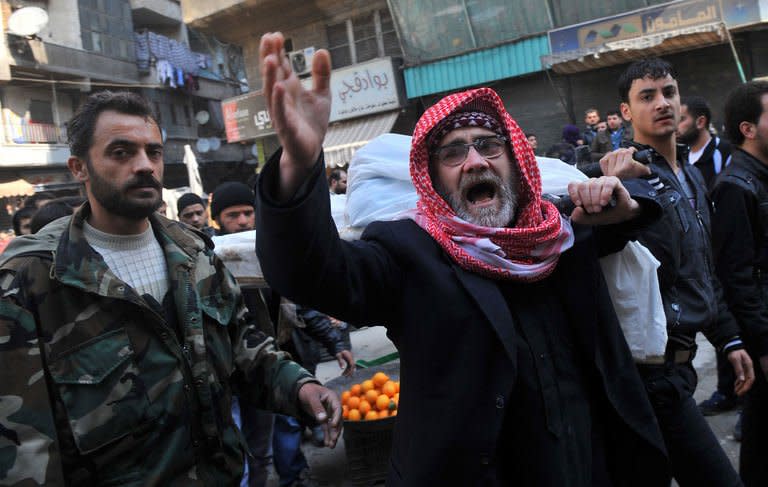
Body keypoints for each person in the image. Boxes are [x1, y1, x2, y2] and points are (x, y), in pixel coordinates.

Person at [256, 31, 669, 486]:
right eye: (453, 153)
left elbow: (649, 206)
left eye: (489, 146)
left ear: (516, 163)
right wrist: (299, 165)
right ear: (433, 182)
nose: (474, 161)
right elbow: (311, 273)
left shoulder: (561, 233)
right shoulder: (409, 252)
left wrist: (628, 204)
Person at [0, 90, 340, 486]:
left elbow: (244, 348)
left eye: (154, 152)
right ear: (80, 167)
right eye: (121, 152)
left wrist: (301, 387)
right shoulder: (31, 279)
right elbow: (23, 449)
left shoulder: (194, 252)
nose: (145, 166)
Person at [598, 58, 754, 487]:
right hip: (650, 375)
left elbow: (702, 267)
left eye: (668, 92)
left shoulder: (690, 177)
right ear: (626, 112)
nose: (662, 103)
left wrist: (728, 337)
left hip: (683, 365)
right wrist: (610, 188)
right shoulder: (628, 174)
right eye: (646, 96)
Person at [711, 80, 768, 486]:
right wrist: (762, 346)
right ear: (749, 128)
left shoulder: (761, 176)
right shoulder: (736, 186)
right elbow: (738, 279)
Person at [677, 95, 732, 190]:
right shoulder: (680, 159)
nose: (674, 126)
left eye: (681, 120)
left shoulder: (726, 152)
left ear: (700, 122)